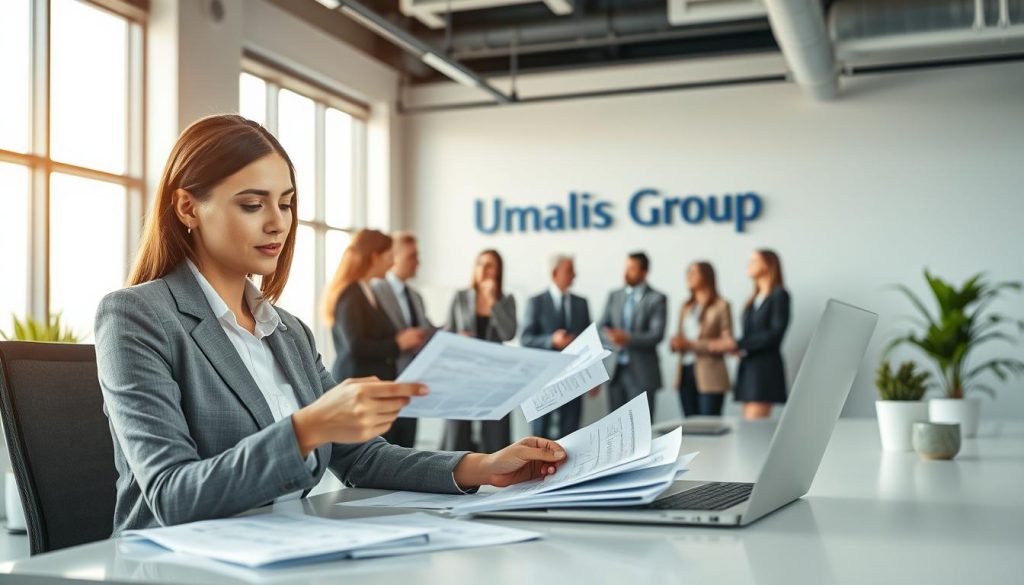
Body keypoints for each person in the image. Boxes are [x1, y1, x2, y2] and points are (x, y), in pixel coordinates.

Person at [94, 114, 567, 535]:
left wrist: (484, 466)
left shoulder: (287, 331)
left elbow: (360, 456)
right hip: (176, 563)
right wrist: (307, 428)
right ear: (187, 208)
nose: (278, 223)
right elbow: (172, 495)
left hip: (279, 547)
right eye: (253, 204)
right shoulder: (136, 317)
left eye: (286, 202)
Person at [323, 229, 426, 448]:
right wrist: (398, 344)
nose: (392, 262)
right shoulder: (351, 294)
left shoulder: (366, 291)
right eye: (390, 255)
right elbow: (356, 345)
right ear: (375, 256)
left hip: (372, 388)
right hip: (359, 389)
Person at [442, 249, 517, 453]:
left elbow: (508, 333)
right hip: (462, 373)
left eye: (490, 265)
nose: (484, 269)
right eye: (480, 264)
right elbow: (446, 334)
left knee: (495, 436)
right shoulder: (460, 297)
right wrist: (458, 338)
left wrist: (493, 303)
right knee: (457, 435)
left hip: (494, 375)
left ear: (498, 271)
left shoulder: (506, 300)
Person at [369, 231, 435, 447]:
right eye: (412, 256)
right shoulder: (375, 290)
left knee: (408, 446)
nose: (418, 262)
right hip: (386, 380)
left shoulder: (415, 296)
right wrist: (400, 341)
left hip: (411, 383)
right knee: (385, 447)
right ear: (393, 258)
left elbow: (425, 329)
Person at [709, 249, 791, 420]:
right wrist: (736, 346)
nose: (749, 265)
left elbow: (775, 334)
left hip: (765, 370)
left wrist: (736, 344)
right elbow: (751, 334)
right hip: (749, 366)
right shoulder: (753, 299)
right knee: (746, 426)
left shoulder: (779, 295)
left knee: (755, 426)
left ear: (768, 265)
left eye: (754, 261)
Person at [520, 254, 592, 439]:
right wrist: (551, 340)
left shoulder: (581, 303)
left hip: (574, 378)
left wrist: (593, 377)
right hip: (544, 379)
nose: (574, 275)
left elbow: (590, 341)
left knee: (572, 433)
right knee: (540, 434)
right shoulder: (535, 302)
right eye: (569, 270)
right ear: (554, 273)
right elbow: (525, 338)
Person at [598, 252, 667, 422]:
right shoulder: (614, 296)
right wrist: (613, 338)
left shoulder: (656, 298)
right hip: (615, 371)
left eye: (632, 268)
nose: (626, 272)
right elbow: (601, 328)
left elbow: (656, 335)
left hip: (642, 372)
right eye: (626, 267)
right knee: (615, 426)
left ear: (644, 272)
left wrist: (627, 338)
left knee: (641, 425)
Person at [669, 262, 733, 417]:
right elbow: (680, 335)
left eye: (694, 273)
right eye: (688, 272)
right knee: (690, 424)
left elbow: (727, 342)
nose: (689, 277)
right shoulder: (686, 306)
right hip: (685, 371)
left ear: (707, 276)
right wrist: (675, 343)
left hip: (710, 373)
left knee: (708, 423)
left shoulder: (721, 305)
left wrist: (691, 345)